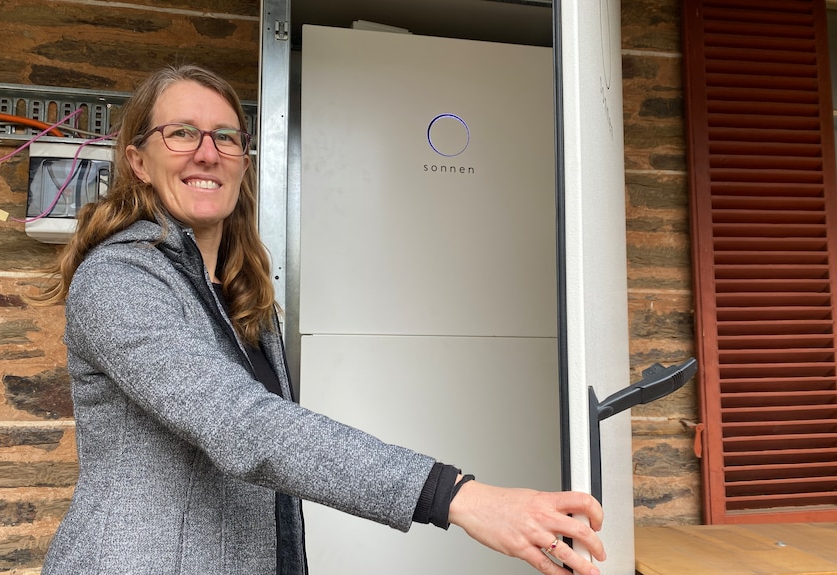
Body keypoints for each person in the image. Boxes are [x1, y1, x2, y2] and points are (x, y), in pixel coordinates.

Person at [35, 64, 606, 575]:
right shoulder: (118, 280)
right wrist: (455, 495)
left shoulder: (237, 294)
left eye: (226, 137)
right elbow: (243, 424)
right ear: (138, 160)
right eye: (181, 132)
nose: (207, 153)